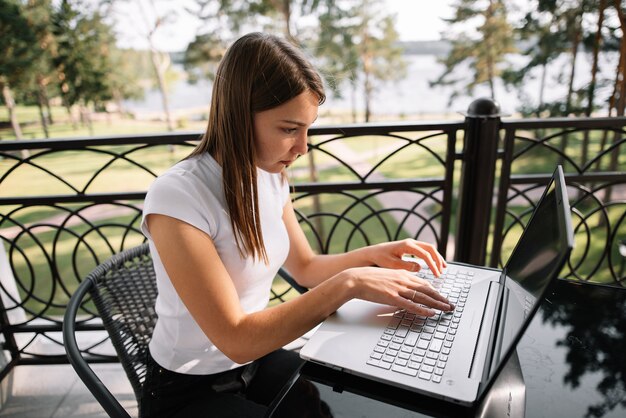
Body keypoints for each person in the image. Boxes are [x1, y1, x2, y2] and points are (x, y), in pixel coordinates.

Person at [140, 32, 453, 418]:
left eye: (308, 128)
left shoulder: (270, 176)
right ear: (239, 114)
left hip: (256, 361)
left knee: (350, 400)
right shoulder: (178, 196)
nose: (303, 147)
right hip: (189, 387)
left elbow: (305, 268)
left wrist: (371, 256)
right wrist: (350, 282)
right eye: (289, 129)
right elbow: (235, 338)